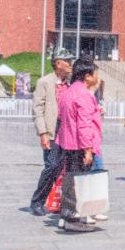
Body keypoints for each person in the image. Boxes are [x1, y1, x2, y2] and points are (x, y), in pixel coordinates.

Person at [53, 58, 104, 232]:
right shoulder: (83, 94)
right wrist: (88, 149)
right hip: (80, 145)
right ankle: (72, 219)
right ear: (87, 76)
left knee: (71, 180)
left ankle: (66, 216)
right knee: (79, 183)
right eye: (95, 74)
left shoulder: (69, 91)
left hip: (68, 142)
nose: (97, 77)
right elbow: (84, 125)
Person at [28, 49, 74, 216]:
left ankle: (58, 202)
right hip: (52, 132)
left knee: (63, 168)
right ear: (58, 63)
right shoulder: (45, 82)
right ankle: (37, 201)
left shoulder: (70, 83)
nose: (70, 64)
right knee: (52, 166)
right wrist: (43, 133)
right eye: (67, 61)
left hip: (67, 133)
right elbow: (37, 109)